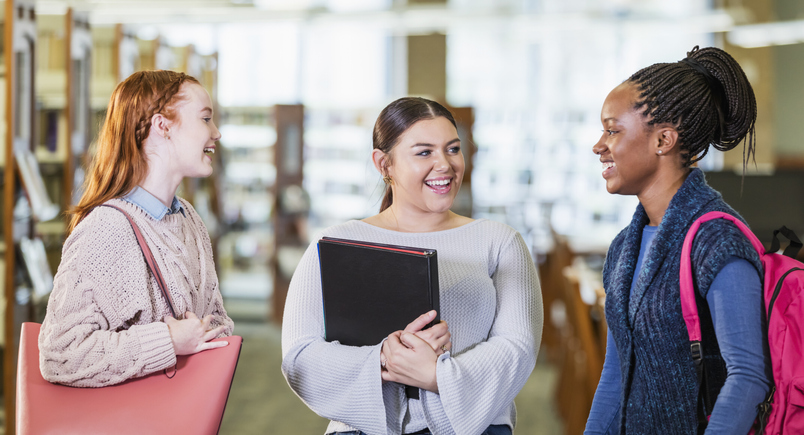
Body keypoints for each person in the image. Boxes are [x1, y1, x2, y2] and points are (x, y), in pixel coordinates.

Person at [281, 97, 543, 435]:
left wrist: (437, 376)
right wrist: (384, 360)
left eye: (452, 149)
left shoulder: (499, 242)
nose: (445, 165)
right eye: (424, 152)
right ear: (384, 164)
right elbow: (300, 355)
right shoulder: (337, 243)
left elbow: (518, 347)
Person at [585, 46, 770, 434]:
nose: (599, 145)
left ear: (663, 140)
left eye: (612, 130)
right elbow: (616, 374)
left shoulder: (717, 240)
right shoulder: (624, 247)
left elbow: (748, 378)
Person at [39, 70, 234, 387]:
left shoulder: (189, 218)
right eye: (205, 118)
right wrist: (168, 340)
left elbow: (216, 322)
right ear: (162, 126)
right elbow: (60, 355)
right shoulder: (106, 230)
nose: (216, 133)